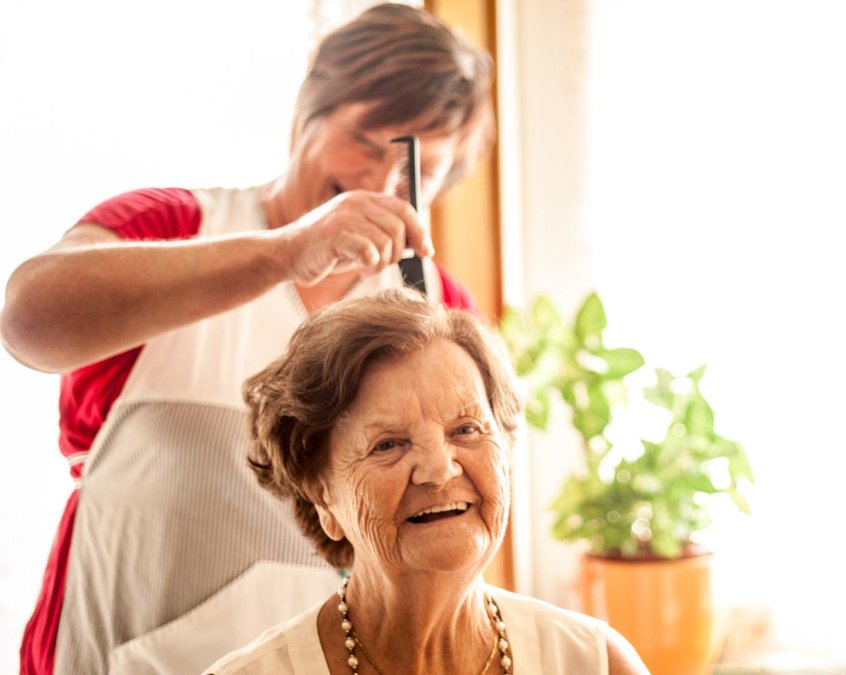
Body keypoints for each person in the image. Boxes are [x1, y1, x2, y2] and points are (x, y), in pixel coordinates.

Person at [0, 5, 493, 673]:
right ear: (305, 115)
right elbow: (27, 317)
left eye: (417, 169)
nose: (382, 184)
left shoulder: (437, 308)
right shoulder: (174, 227)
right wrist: (285, 252)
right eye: (366, 142)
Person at [205, 288, 648, 675]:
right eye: (388, 444)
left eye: (466, 430)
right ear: (322, 496)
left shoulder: (596, 664)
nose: (440, 469)